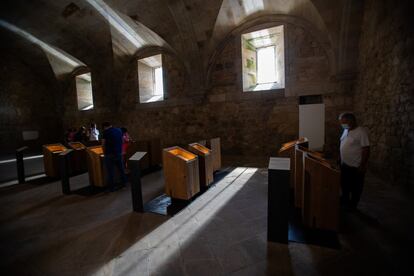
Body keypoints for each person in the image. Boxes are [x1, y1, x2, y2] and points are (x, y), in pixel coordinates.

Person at [339, 112, 370, 210]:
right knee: (345, 185)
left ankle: (353, 206)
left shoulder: (361, 132)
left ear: (351, 120)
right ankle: (345, 202)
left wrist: (362, 165)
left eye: (344, 122)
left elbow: (366, 148)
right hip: (344, 165)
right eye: (341, 123)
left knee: (356, 188)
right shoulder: (346, 130)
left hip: (355, 166)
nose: (342, 124)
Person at [102, 122, 127, 192]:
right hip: (119, 153)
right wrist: (120, 150)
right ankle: (124, 184)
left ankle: (111, 188)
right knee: (121, 169)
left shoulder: (105, 132)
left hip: (109, 154)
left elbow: (103, 144)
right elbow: (122, 141)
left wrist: (104, 153)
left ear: (105, 127)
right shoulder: (119, 130)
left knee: (110, 172)